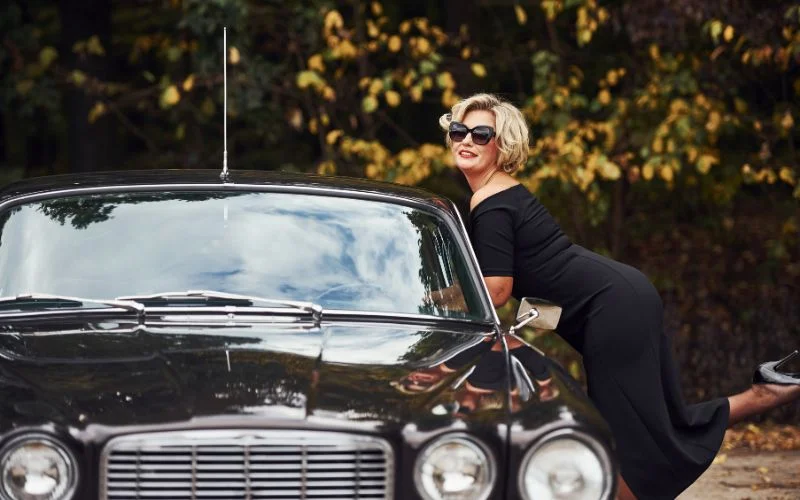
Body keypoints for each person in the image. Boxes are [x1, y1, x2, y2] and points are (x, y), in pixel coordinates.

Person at [439, 93, 800, 500]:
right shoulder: (500, 194)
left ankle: (763, 395)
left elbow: (497, 290)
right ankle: (764, 393)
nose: (466, 140)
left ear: (501, 144)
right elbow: (524, 280)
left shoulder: (489, 202)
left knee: (619, 437)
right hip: (621, 297)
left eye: (480, 133)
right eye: (458, 130)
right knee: (652, 422)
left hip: (612, 305)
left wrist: (436, 302)